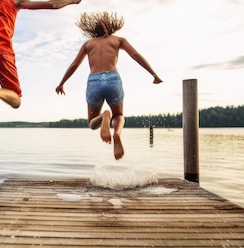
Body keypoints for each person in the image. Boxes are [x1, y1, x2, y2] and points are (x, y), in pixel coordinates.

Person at [55, 11, 163, 160]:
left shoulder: (88, 44)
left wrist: (62, 83)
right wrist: (153, 74)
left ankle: (105, 116)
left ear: (93, 30)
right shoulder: (118, 40)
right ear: (111, 27)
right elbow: (136, 56)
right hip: (113, 78)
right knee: (118, 115)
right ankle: (117, 133)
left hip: (94, 80)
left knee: (92, 124)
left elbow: (74, 64)